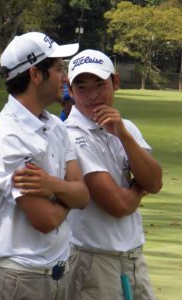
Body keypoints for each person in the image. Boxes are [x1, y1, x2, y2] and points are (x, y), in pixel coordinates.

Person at [0, 32, 89, 300]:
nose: (65, 79)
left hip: (55, 276)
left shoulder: (56, 126)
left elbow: (83, 196)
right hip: (18, 282)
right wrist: (67, 193)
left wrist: (52, 186)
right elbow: (45, 219)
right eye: (58, 69)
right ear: (35, 74)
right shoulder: (7, 135)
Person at [63, 49, 163, 300]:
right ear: (71, 91)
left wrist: (123, 135)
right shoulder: (70, 135)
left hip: (133, 258)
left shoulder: (125, 127)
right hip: (92, 261)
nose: (93, 96)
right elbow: (117, 204)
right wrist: (138, 188)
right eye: (82, 88)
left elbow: (155, 181)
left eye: (100, 84)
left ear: (115, 82)